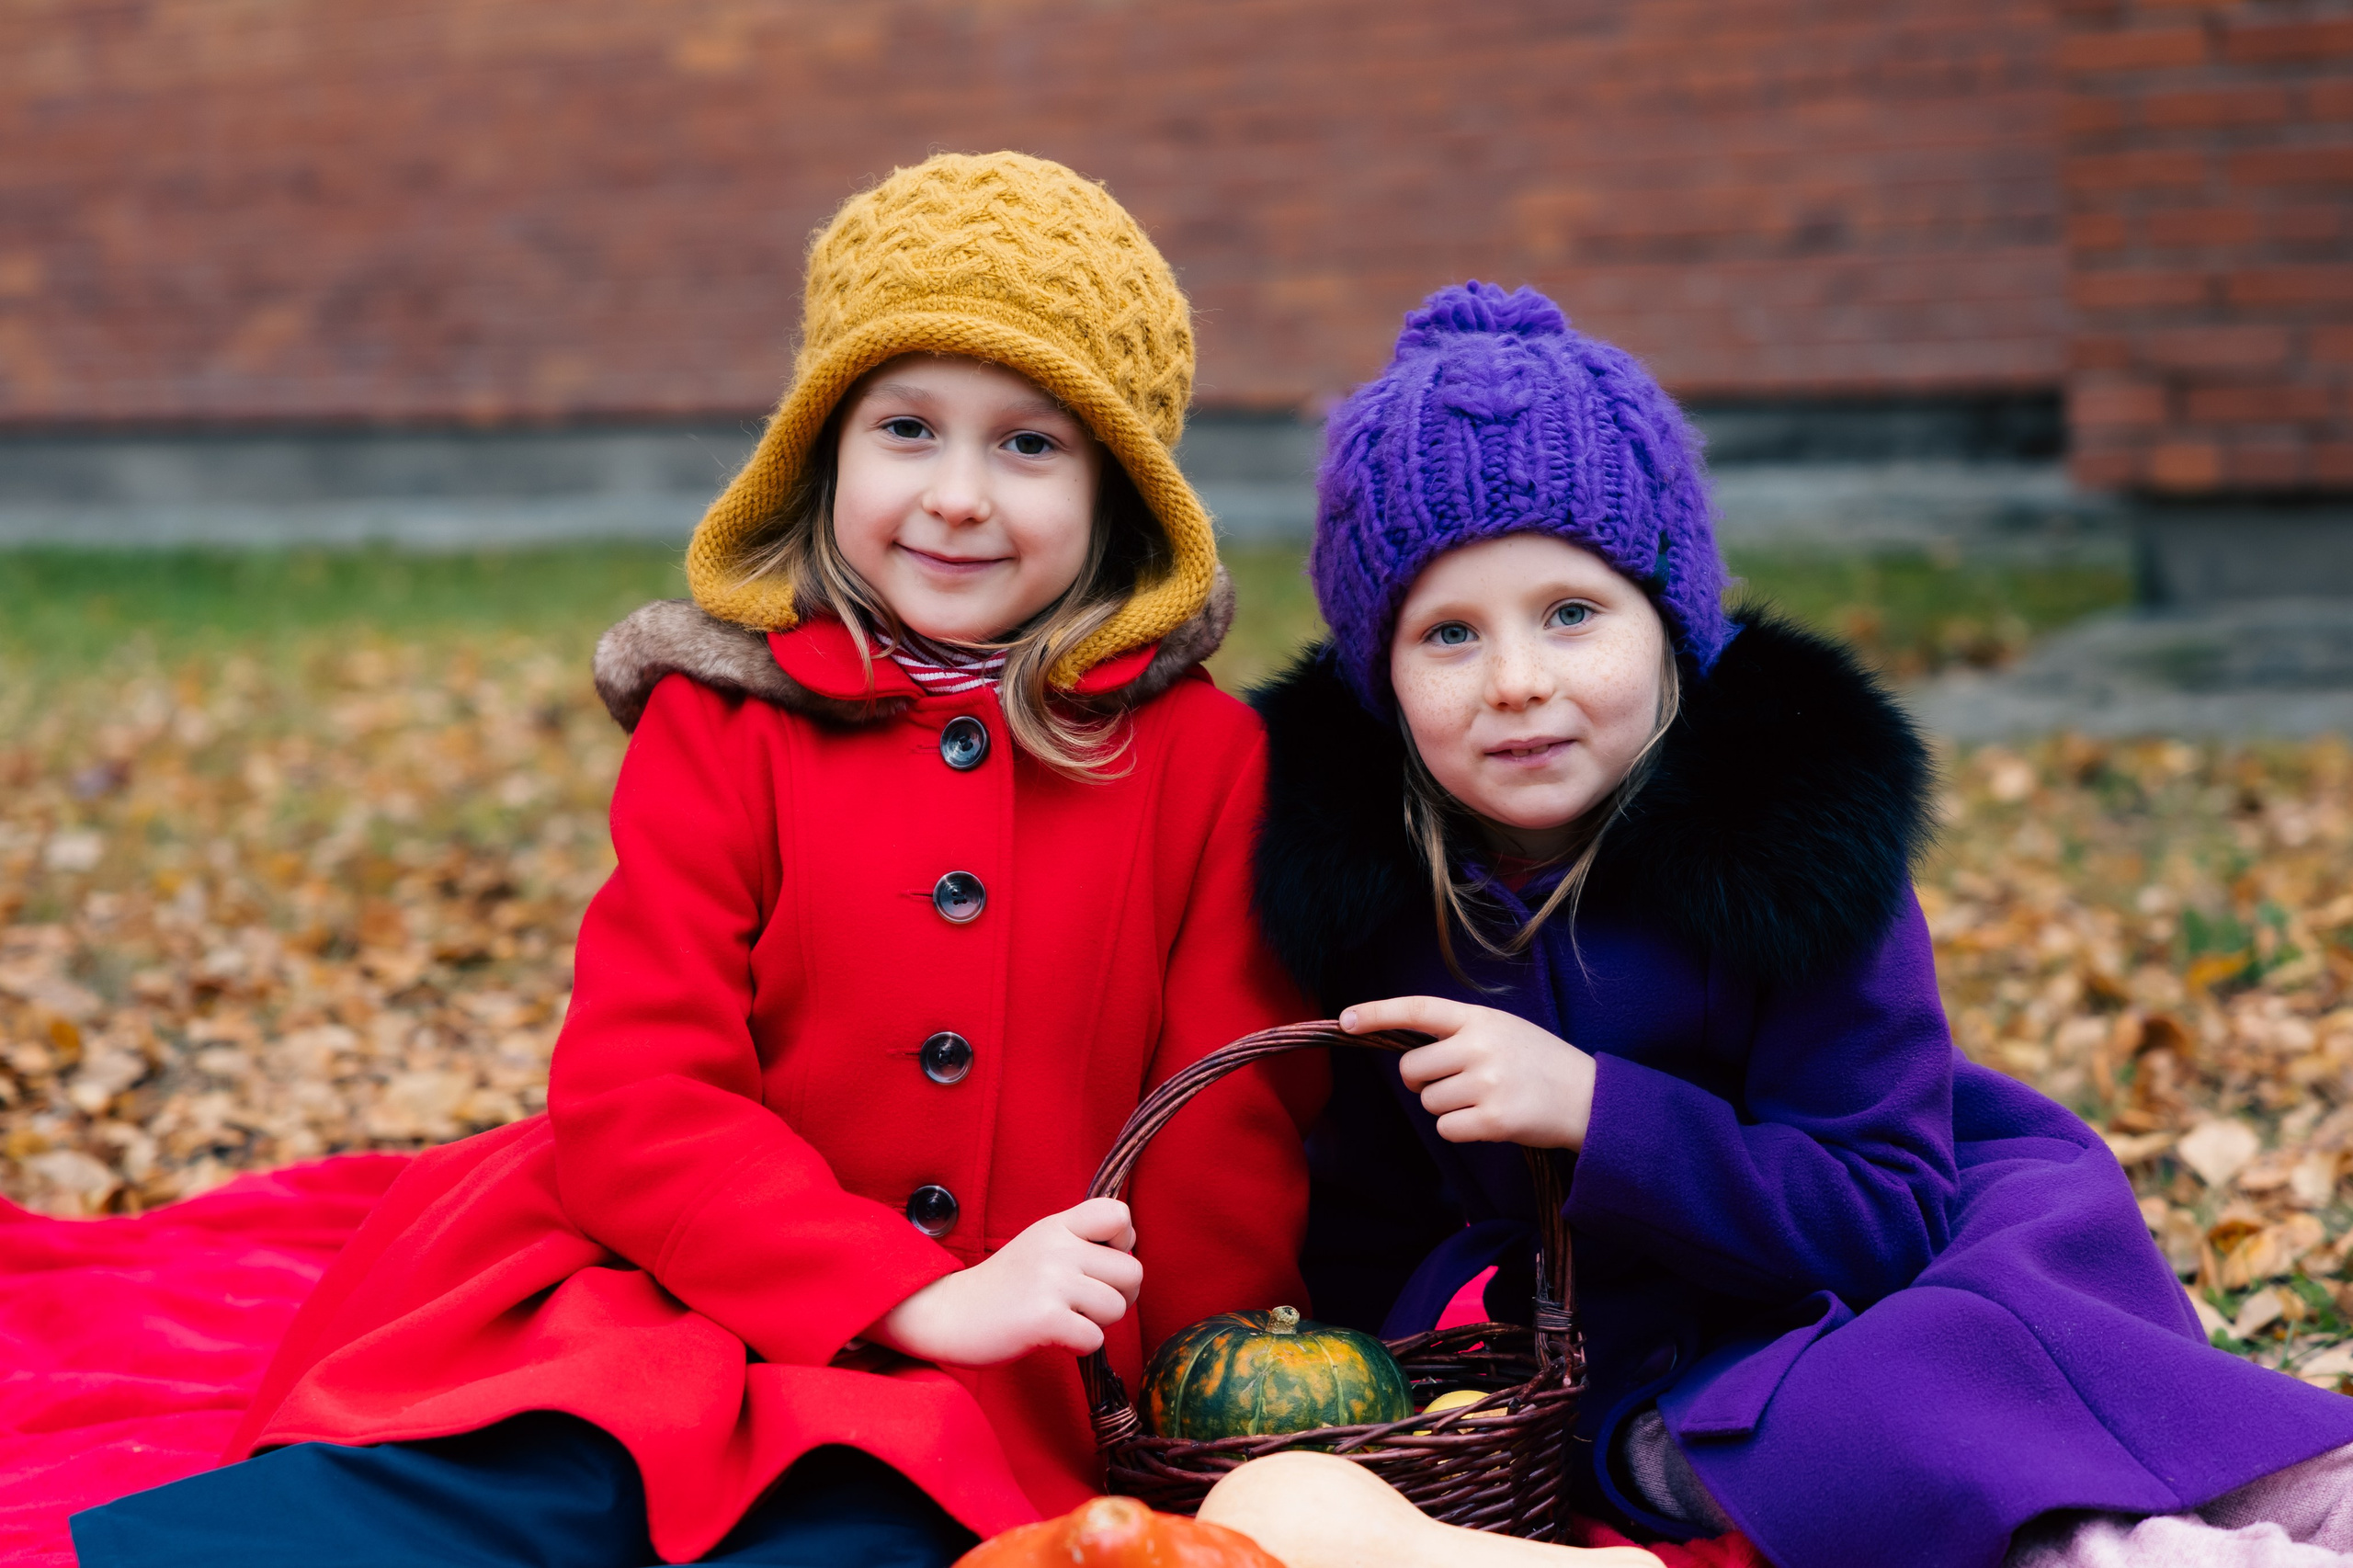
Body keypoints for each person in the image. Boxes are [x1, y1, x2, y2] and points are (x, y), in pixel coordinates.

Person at [72, 152, 1323, 1568]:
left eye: (1030, 444)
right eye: (907, 427)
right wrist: (901, 1293)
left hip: (996, 1373)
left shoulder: (1200, 758)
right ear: (823, 448)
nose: (958, 495)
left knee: (865, 1527)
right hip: (684, 1283)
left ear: (1121, 492)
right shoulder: (724, 719)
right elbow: (635, 1086)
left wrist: (1208, 1419)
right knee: (526, 1479)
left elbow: (1224, 1120)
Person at [1251, 280, 2353, 1568]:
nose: (1518, 681)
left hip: (1892, 1244)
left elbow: (1879, 1211)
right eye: (1448, 632)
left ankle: (2209, 1526)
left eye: (1571, 613)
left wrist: (1603, 1112)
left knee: (1923, 1376)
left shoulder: (1791, 854)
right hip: (1640, 1354)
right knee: (1732, 1442)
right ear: (1378, 682)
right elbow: (1369, 1220)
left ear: (1673, 625)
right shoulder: (1382, 907)